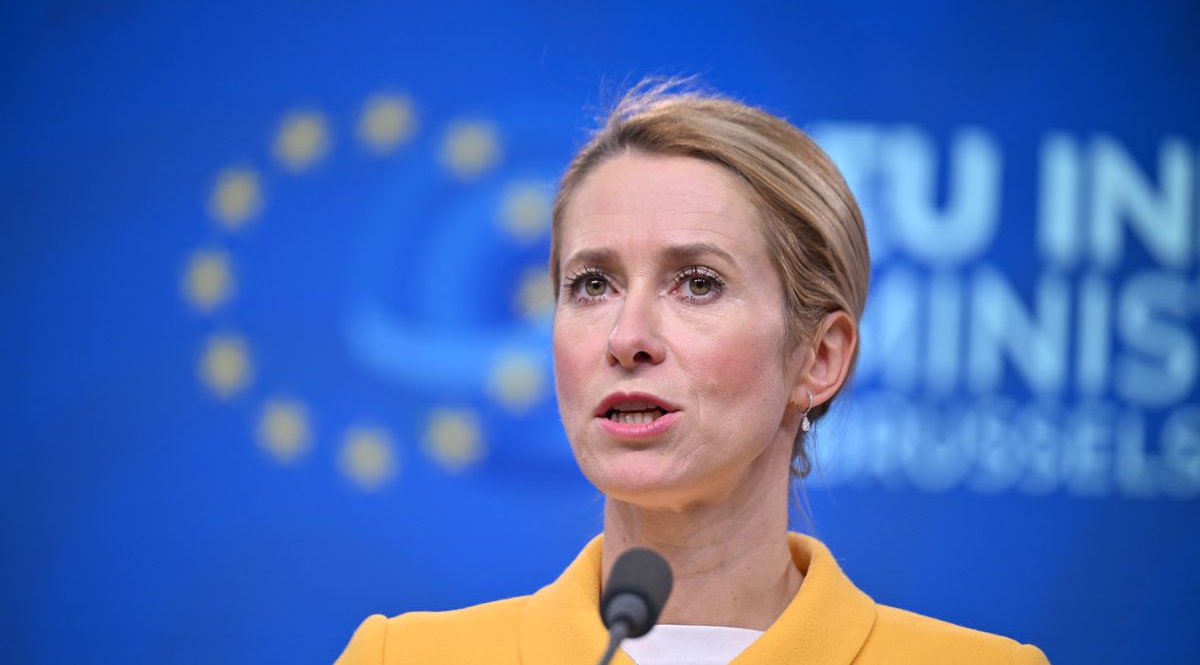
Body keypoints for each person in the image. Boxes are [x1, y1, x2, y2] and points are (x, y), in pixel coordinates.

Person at [336, 81, 1050, 664]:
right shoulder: (401, 656)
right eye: (591, 284)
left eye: (698, 283)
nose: (628, 337)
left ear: (819, 357)